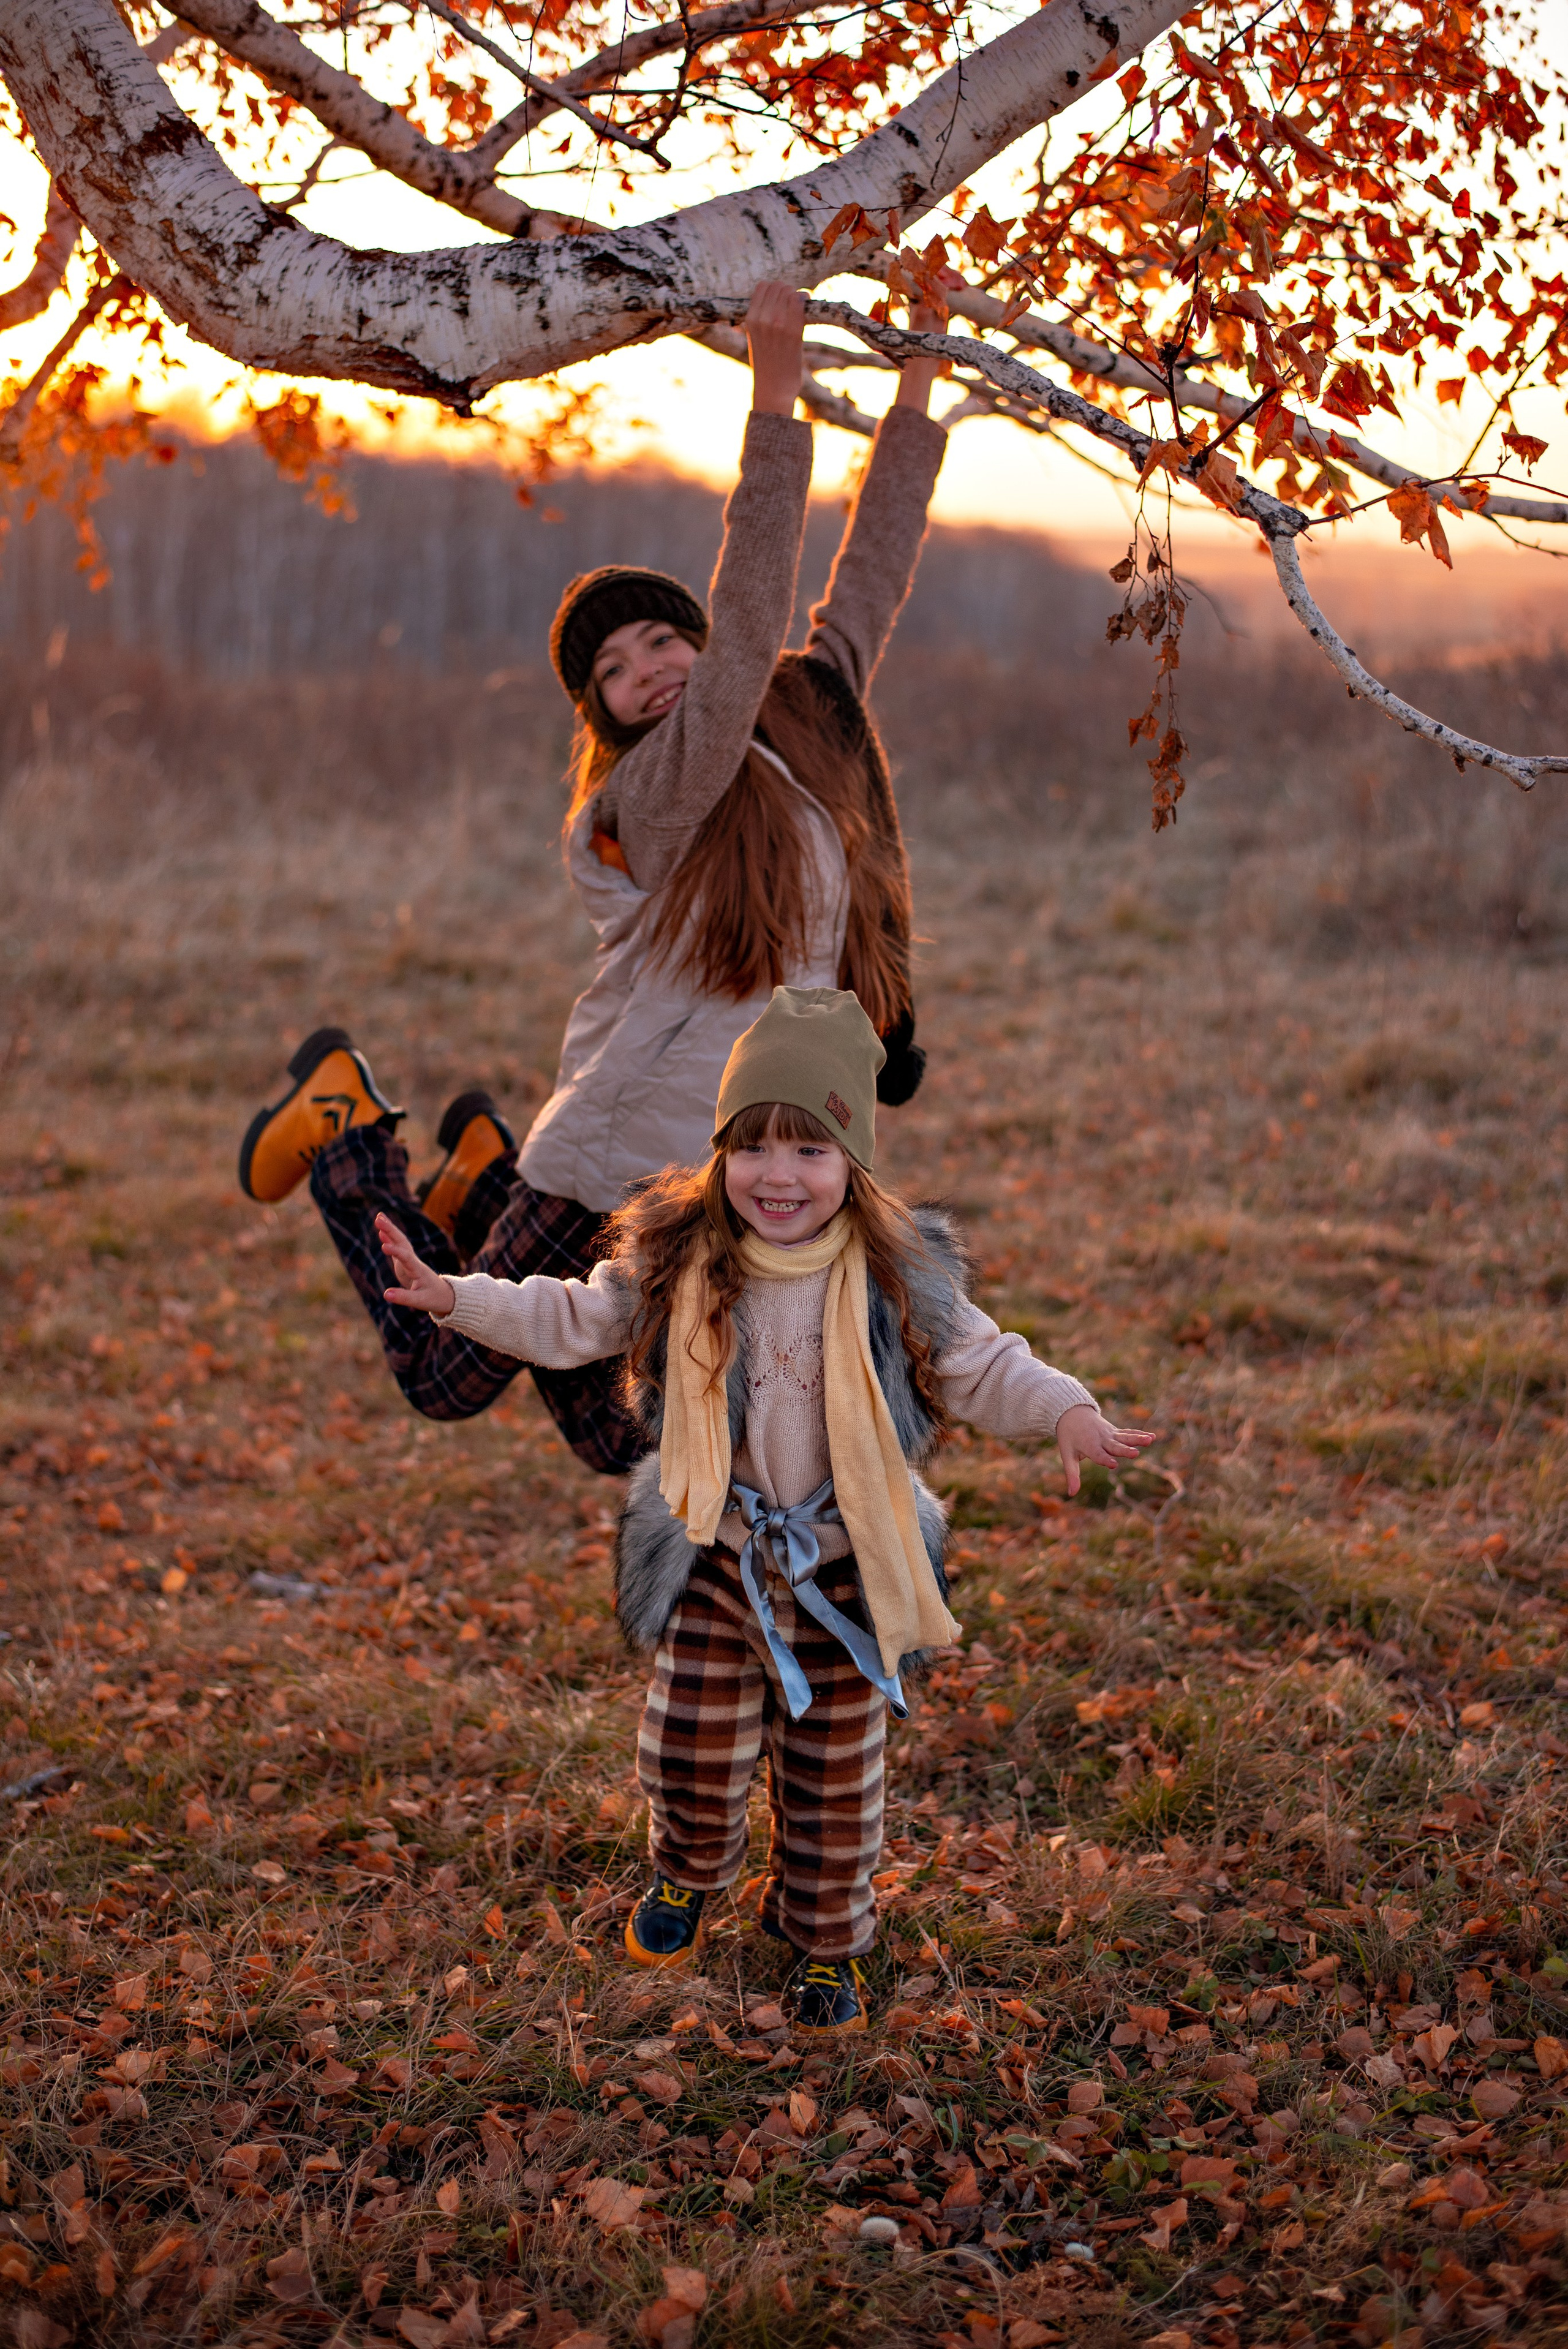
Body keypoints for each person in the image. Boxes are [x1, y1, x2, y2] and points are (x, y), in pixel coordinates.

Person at [238, 281, 950, 1477]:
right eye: (616, 670)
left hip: (704, 1165)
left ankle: (474, 1191)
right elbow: (755, 602)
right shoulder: (655, 794)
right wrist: (775, 402)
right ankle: (346, 1128)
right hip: (611, 1159)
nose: (652, 669)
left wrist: (918, 390)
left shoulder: (805, 731)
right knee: (442, 1376)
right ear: (607, 717)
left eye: (664, 640)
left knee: (625, 1431)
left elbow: (867, 578)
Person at [375, 987, 1157, 2034]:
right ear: (719, 1155)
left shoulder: (893, 1272)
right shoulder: (682, 1260)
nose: (778, 1177)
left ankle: (826, 1943)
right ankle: (687, 1875)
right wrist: (460, 1296)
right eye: (753, 1149)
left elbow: (980, 1361)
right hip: (717, 1551)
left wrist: (1065, 1409)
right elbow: (572, 1314)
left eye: (810, 1150)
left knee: (835, 1781)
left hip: (844, 1569)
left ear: (852, 1161)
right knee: (689, 1746)